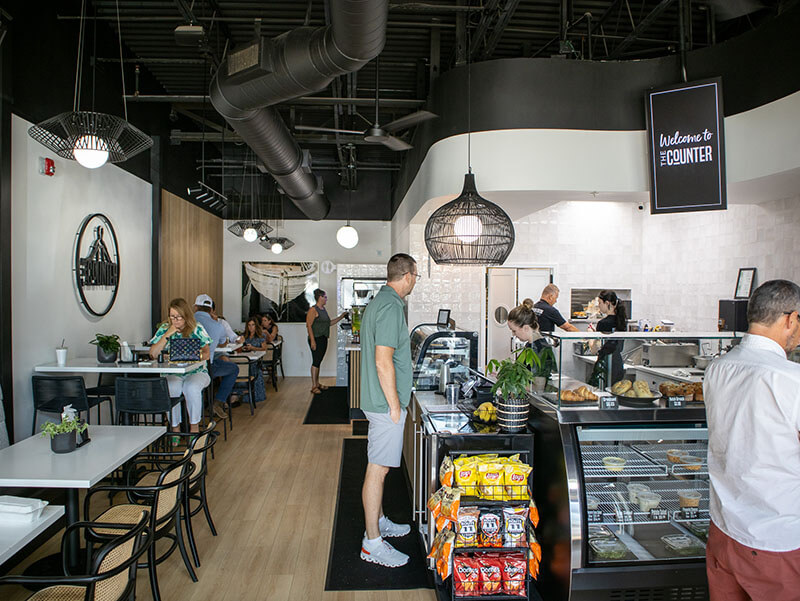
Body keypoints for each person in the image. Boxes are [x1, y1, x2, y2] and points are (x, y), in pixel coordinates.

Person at [704, 279, 800, 601]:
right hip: (776, 540)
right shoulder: (791, 379)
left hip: (724, 530)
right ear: (790, 320)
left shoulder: (717, 369)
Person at [359, 253, 419, 568]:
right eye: (416, 276)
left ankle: (378, 521)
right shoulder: (392, 306)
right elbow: (384, 360)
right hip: (385, 404)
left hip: (378, 401)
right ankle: (372, 543)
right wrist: (395, 404)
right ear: (407, 275)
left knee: (378, 467)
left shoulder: (379, 301)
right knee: (378, 470)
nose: (414, 282)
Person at [148, 298, 212, 436]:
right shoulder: (165, 329)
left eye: (179, 317)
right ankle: (175, 428)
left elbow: (207, 353)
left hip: (197, 371)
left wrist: (189, 356)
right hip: (172, 372)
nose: (175, 320)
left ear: (186, 315)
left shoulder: (196, 328)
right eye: (172, 317)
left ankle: (194, 428)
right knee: (172, 387)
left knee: (191, 387)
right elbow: (153, 354)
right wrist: (167, 334)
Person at [194, 294, 238, 419]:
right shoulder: (218, 325)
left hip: (187, 366)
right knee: (233, 368)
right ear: (211, 310)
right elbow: (223, 343)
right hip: (207, 367)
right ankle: (218, 401)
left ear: (196, 307)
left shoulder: (188, 320)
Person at [306, 289, 347, 394]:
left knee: (318, 361)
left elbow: (328, 323)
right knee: (316, 361)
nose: (326, 299)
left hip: (323, 338)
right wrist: (313, 341)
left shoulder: (323, 309)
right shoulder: (313, 310)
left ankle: (317, 383)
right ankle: (314, 386)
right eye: (325, 297)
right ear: (320, 297)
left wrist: (341, 317)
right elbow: (309, 325)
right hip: (316, 338)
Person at [507, 299, 557, 376]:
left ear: (526, 328)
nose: (513, 335)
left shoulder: (540, 349)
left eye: (514, 331)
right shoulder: (530, 345)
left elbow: (538, 385)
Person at [590, 290, 628, 386]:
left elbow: (594, 349)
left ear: (607, 303)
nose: (599, 305)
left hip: (605, 364)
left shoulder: (603, 323)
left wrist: (591, 334)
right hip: (618, 364)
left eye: (599, 303)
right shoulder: (622, 322)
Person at [236, 317, 267, 403]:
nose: (251, 327)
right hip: (246, 358)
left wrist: (253, 348)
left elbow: (264, 348)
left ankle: (247, 392)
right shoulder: (244, 336)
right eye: (249, 325)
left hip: (255, 360)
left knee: (253, 368)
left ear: (256, 326)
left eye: (253, 325)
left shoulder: (260, 336)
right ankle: (240, 392)